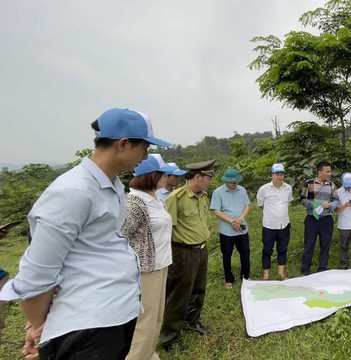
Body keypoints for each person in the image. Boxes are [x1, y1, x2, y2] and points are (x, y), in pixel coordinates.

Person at [0, 108, 171, 359]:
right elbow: (37, 276)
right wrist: (39, 327)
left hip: (115, 316)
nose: (145, 155)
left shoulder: (111, 186)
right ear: (123, 144)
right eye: (144, 147)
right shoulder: (73, 192)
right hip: (87, 330)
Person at [121, 154, 174, 360]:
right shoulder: (134, 203)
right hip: (145, 270)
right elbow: (119, 237)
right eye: (163, 173)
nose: (166, 176)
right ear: (153, 175)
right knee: (145, 322)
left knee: (156, 318)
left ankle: (149, 354)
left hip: (161, 264)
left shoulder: (155, 198)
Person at [160, 159, 216, 354]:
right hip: (183, 252)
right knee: (179, 294)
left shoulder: (202, 196)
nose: (211, 180)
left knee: (198, 289)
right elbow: (166, 229)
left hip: (201, 250)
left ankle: (192, 322)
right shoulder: (176, 198)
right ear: (198, 177)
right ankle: (170, 337)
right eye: (209, 177)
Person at [211, 168, 251, 289]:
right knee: (227, 255)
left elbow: (247, 206)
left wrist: (240, 219)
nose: (234, 184)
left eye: (236, 182)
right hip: (227, 230)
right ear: (226, 181)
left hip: (242, 228)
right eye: (232, 182)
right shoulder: (218, 192)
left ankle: (245, 276)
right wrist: (231, 221)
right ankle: (229, 279)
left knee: (245, 253)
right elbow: (216, 211)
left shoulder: (242, 190)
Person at [300, 161, 339, 276]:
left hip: (326, 219)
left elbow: (337, 200)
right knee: (309, 245)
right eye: (327, 171)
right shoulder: (309, 183)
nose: (330, 174)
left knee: (325, 245)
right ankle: (305, 270)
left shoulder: (332, 185)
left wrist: (330, 206)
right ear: (320, 172)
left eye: (330, 171)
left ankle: (322, 270)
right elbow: (302, 200)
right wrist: (316, 204)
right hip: (312, 219)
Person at [256, 163, 293, 280]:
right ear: (272, 175)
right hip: (269, 226)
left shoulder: (288, 188)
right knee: (267, 250)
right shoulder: (264, 189)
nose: (279, 177)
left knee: (283, 249)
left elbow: (288, 202)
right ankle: (266, 275)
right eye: (277, 174)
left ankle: (281, 273)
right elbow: (260, 204)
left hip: (284, 224)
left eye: (281, 174)